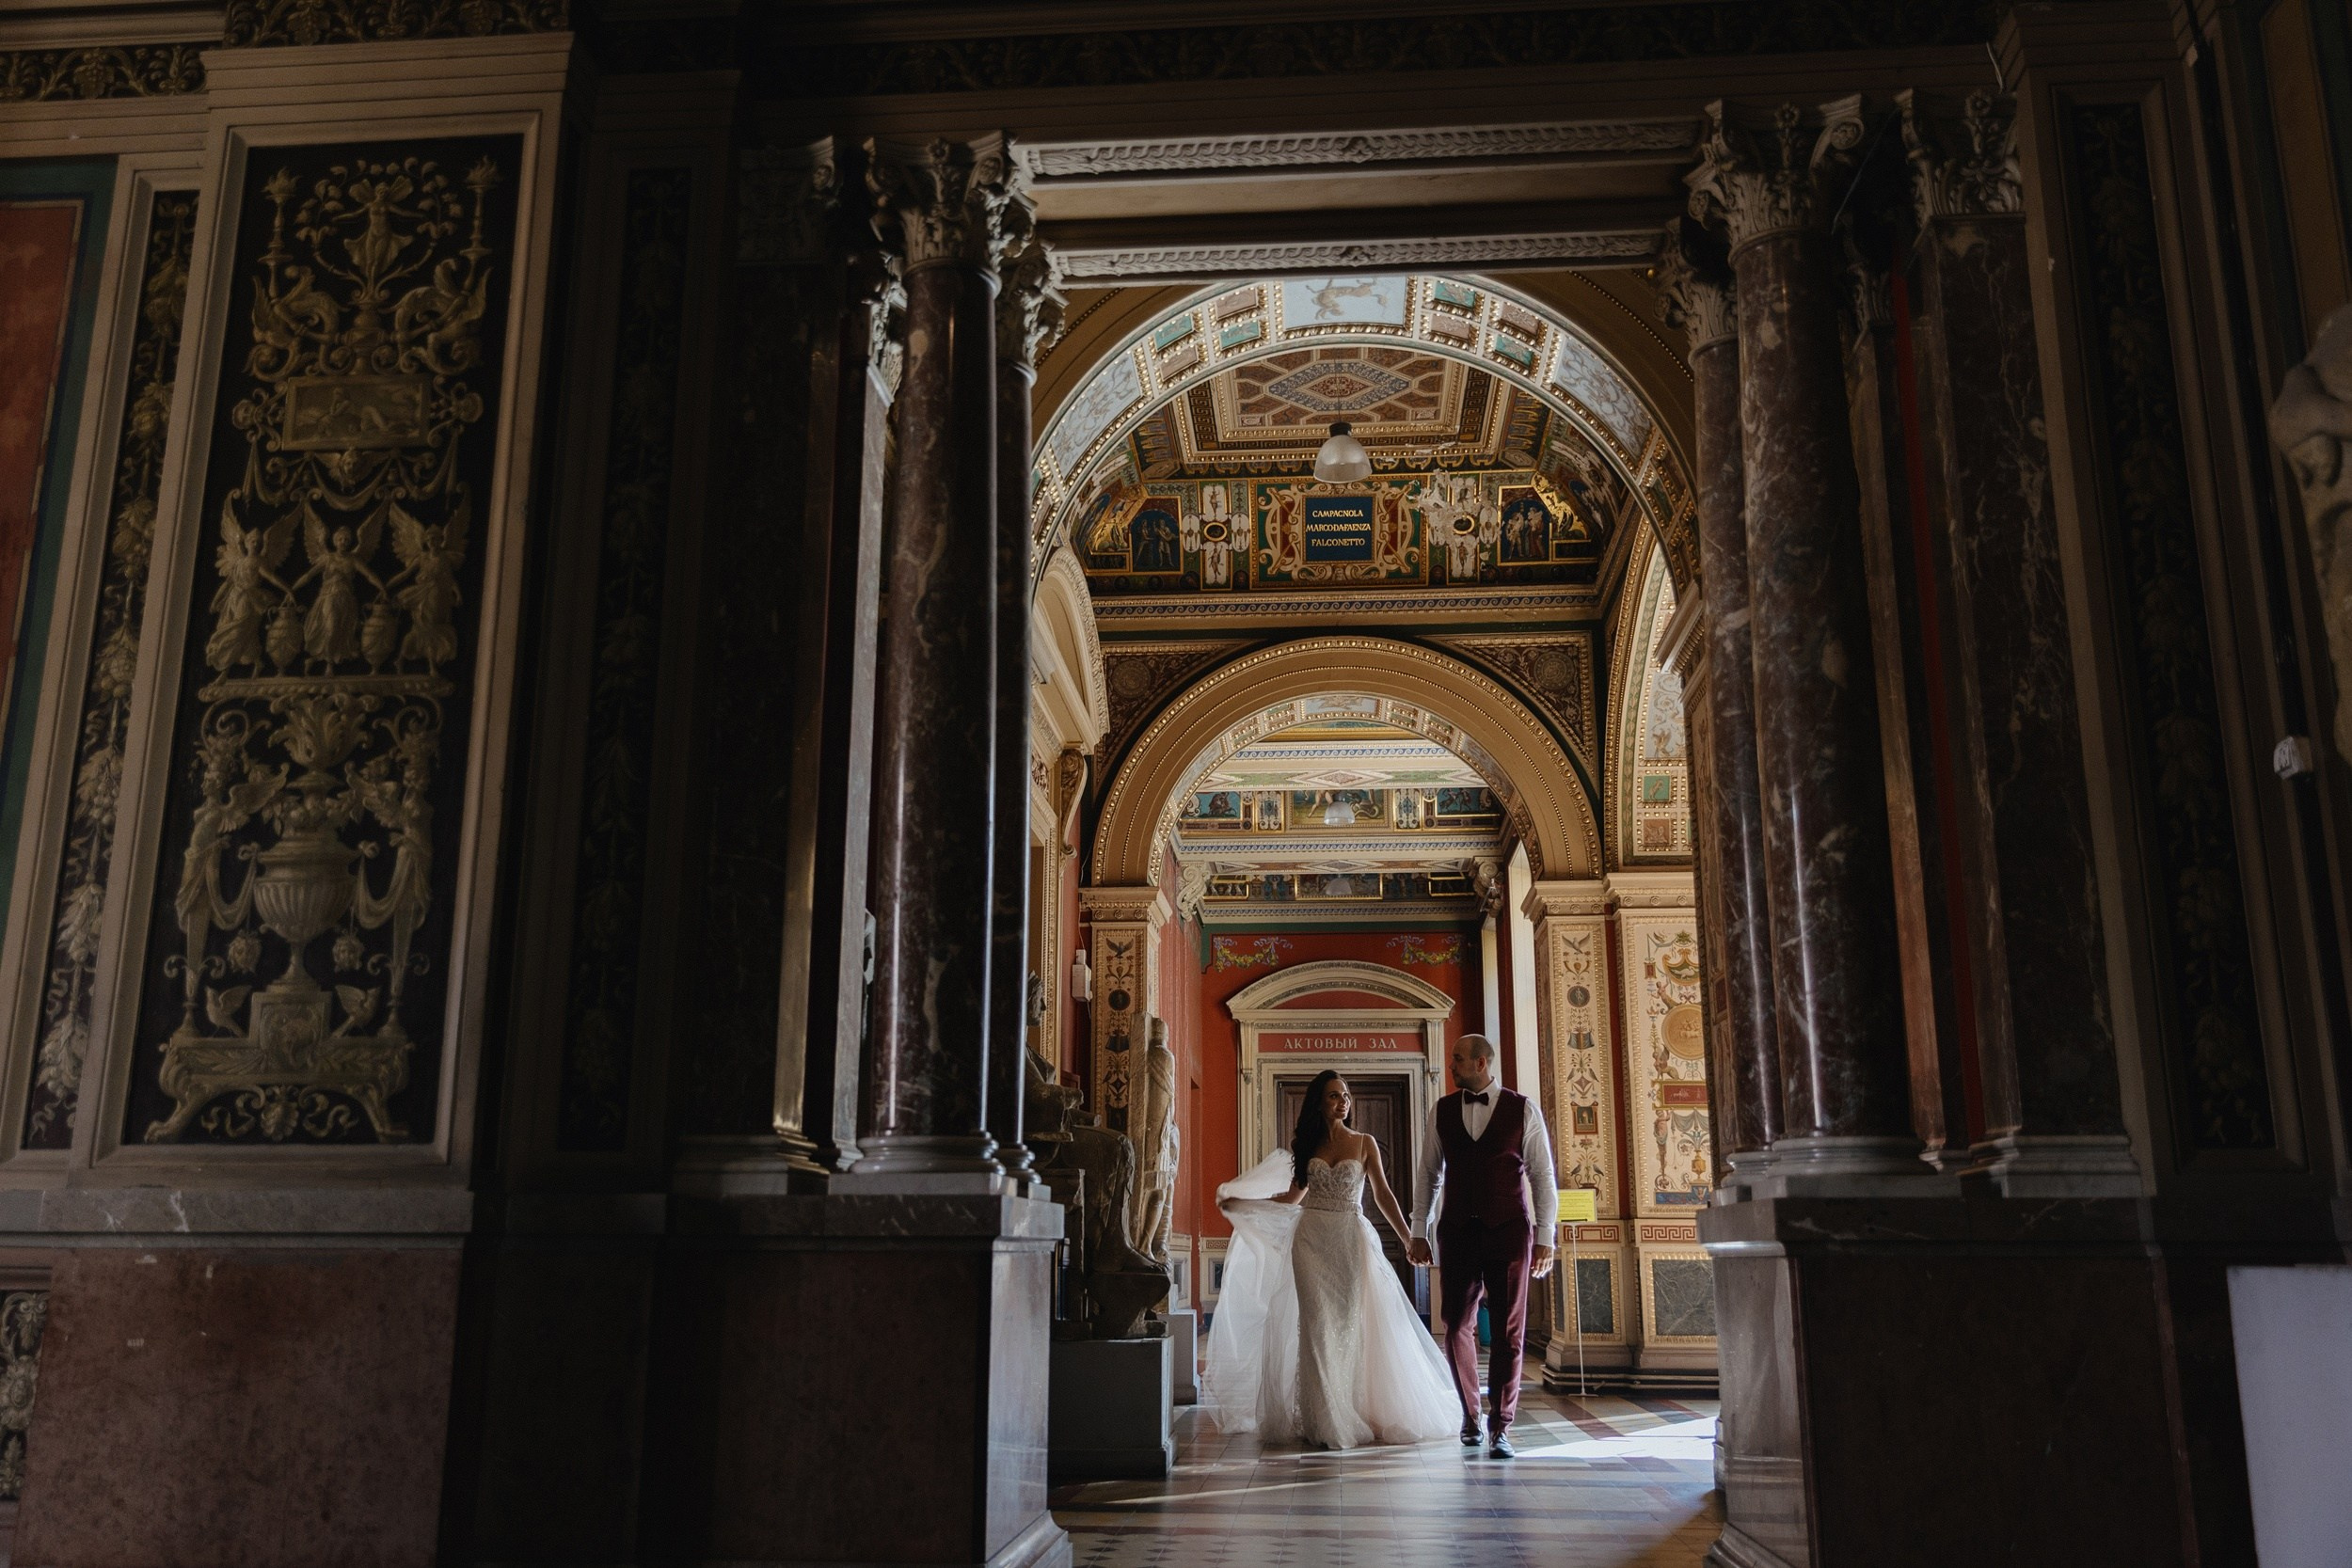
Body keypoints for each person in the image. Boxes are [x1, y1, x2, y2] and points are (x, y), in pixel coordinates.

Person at [1206, 1070, 1458, 1449]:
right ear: (1319, 1102)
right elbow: (1291, 1199)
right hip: (1310, 1242)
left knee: (1347, 1327)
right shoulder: (1308, 1145)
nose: (1343, 1102)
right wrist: (1243, 1204)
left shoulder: (1364, 1143)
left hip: (1348, 1241)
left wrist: (1409, 1238)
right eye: (1334, 1096)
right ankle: (1324, 1419)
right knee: (1317, 1328)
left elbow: (1383, 1195)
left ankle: (1349, 1408)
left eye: (1346, 1096)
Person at [1406, 1034, 1558, 1457]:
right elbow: (1429, 1173)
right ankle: (1470, 1416)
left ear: (1480, 1063)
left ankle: (1500, 1426)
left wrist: (1546, 1236)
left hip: (1509, 1230)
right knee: (1455, 1323)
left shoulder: (1523, 1109)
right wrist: (1419, 1229)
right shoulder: (1442, 1111)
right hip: (1456, 1230)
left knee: (1509, 1330)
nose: (1450, 1065)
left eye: (1457, 1059)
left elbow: (1542, 1175)